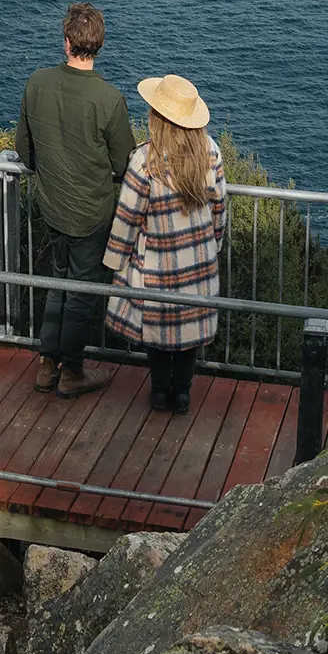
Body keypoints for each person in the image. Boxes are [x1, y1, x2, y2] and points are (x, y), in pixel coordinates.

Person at [13, 2, 134, 400]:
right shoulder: (109, 99)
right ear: (98, 45)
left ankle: (47, 364)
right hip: (91, 213)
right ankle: (72, 370)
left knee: (56, 283)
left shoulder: (37, 83)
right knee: (82, 293)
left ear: (66, 43)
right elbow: (124, 162)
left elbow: (25, 151)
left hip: (51, 206)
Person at [102, 74, 228, 414]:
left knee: (157, 328)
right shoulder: (210, 151)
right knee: (188, 326)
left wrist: (115, 259)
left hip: (158, 261)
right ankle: (183, 392)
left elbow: (128, 214)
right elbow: (219, 206)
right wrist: (212, 243)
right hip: (197, 258)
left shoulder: (146, 161)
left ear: (158, 117)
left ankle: (160, 391)